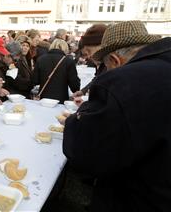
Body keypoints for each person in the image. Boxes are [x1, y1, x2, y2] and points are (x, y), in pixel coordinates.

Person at [62, 20, 171, 212]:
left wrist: (74, 121)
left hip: (139, 199)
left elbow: (86, 154)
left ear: (114, 60)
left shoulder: (125, 80)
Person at [32, 38, 80, 103]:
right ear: (65, 48)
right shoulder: (68, 61)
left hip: (43, 98)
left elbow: (35, 80)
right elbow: (75, 86)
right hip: (60, 99)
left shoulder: (41, 59)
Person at [72, 24, 107, 97]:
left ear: (102, 45)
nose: (89, 56)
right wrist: (83, 91)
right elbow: (97, 79)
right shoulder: (103, 64)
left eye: (89, 51)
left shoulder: (113, 65)